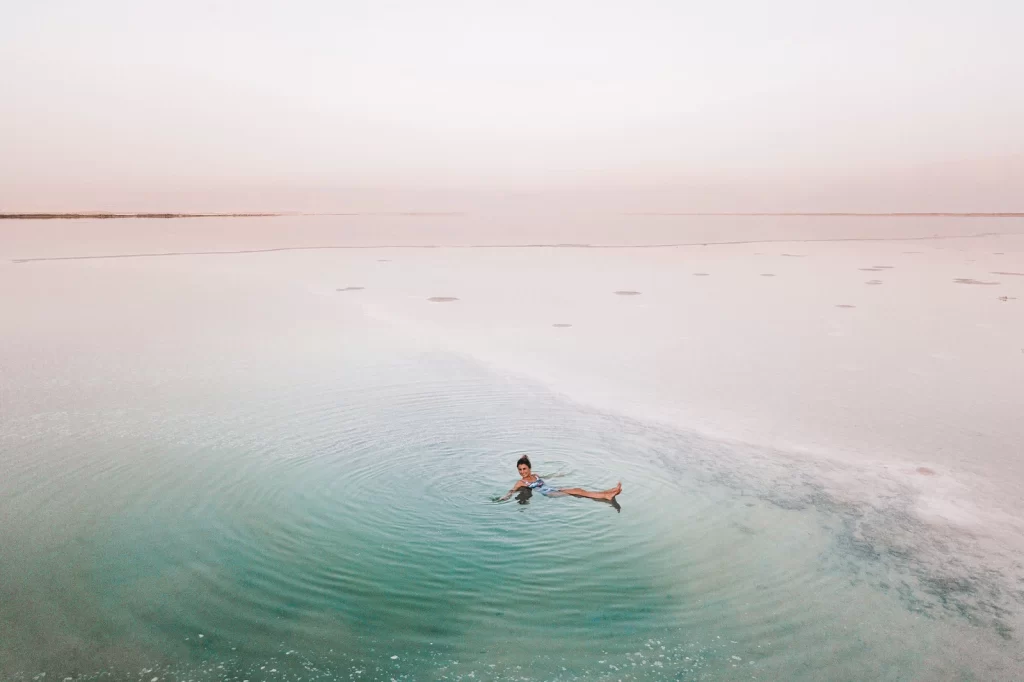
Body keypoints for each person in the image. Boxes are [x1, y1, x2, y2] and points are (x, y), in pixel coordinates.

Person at [500, 455, 621, 501]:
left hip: (554, 488)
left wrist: (559, 475)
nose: (522, 472)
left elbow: (547, 476)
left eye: (524, 469)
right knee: (578, 491)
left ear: (529, 468)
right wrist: (504, 497)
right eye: (520, 470)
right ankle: (606, 495)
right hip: (550, 493)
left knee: (578, 490)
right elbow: (511, 491)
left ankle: (608, 492)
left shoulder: (535, 475)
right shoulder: (521, 482)